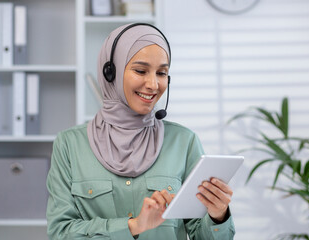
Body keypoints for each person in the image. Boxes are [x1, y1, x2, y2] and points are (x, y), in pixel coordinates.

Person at [46, 23, 235, 240]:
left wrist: (218, 215)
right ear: (111, 73)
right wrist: (134, 226)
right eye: (141, 70)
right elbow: (60, 233)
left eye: (162, 73)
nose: (153, 84)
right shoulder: (69, 145)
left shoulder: (184, 142)